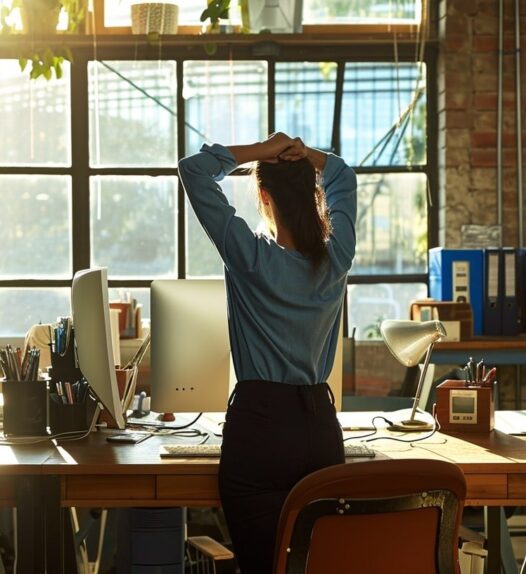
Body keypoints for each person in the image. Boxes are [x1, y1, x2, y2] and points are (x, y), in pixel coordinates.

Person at [177, 132, 357, 573]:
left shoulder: (250, 256)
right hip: (320, 429)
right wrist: (305, 154)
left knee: (263, 566)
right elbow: (343, 176)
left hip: (259, 431)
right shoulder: (337, 257)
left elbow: (193, 170)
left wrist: (264, 150)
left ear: (263, 197)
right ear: (313, 196)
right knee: (317, 566)